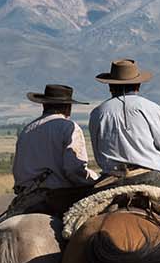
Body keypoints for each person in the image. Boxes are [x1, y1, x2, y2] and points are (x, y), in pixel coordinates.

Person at [88, 59, 160, 196]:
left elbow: (97, 152)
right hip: (150, 178)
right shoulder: (150, 108)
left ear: (110, 87)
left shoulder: (98, 112)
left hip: (110, 181)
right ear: (138, 85)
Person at [11, 83, 99, 216]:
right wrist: (94, 180)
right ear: (67, 107)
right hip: (59, 197)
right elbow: (74, 170)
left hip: (26, 196)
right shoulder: (68, 127)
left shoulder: (27, 129)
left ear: (44, 105)